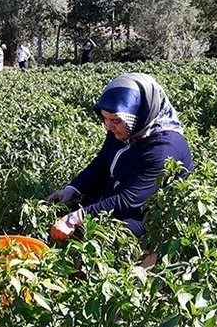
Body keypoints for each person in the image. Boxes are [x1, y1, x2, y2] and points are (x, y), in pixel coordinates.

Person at [46, 73, 193, 241]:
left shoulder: (163, 149)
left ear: (141, 114)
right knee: (62, 207)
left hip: (144, 212)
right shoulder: (127, 129)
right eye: (105, 119)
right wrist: (73, 188)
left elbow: (129, 199)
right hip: (118, 191)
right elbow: (102, 162)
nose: (109, 127)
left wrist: (74, 219)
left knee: (98, 233)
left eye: (115, 120)